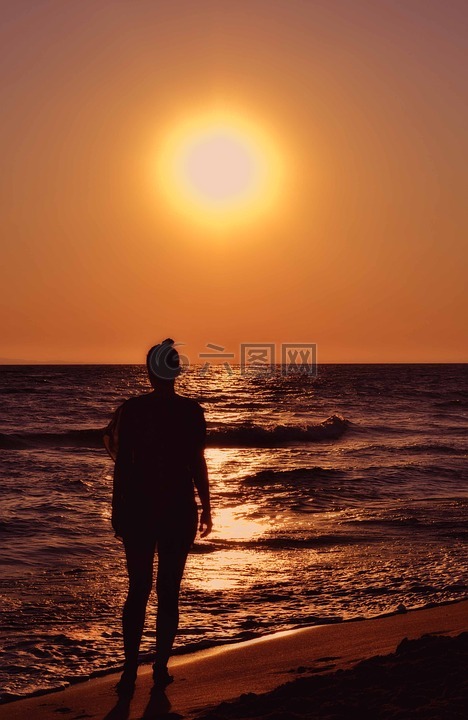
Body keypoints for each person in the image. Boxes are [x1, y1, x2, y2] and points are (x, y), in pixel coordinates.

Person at [103, 338, 212, 696]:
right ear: (176, 371)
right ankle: (160, 667)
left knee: (139, 589)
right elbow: (197, 462)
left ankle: (130, 671)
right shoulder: (191, 411)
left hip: (139, 508)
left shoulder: (132, 411)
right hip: (178, 507)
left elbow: (122, 466)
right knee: (168, 591)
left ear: (150, 372)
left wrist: (116, 507)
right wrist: (207, 506)